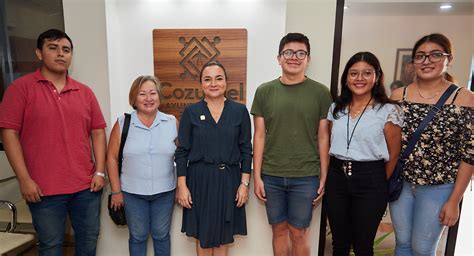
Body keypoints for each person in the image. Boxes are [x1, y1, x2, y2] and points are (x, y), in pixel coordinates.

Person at [0, 29, 107, 255]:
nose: (61, 54)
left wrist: (99, 172)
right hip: (42, 189)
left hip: (86, 187)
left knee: (88, 243)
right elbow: (9, 134)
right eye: (53, 48)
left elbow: (98, 132)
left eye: (66, 50)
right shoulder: (20, 89)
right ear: (39, 53)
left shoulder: (84, 92)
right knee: (50, 247)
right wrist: (24, 179)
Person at [390, 33, 473, 255]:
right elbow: (389, 142)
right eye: (420, 56)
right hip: (402, 185)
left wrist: (455, 200)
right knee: (402, 243)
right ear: (414, 62)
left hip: (439, 188)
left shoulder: (465, 98)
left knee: (422, 248)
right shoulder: (399, 95)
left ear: (449, 58)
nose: (427, 61)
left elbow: (470, 154)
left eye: (435, 55)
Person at [251, 32, 332, 256]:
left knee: (299, 232)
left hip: (306, 175)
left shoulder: (321, 93)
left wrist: (323, 176)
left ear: (308, 58)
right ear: (279, 58)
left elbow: (324, 137)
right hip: (272, 174)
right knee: (278, 230)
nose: (294, 57)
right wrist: (257, 176)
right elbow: (259, 136)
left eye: (300, 53)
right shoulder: (264, 91)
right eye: (288, 52)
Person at [321, 52, 402, 255]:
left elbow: (393, 154)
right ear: (346, 78)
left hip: (371, 179)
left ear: (377, 77)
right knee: (339, 243)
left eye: (367, 73)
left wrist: (377, 182)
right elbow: (329, 140)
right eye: (354, 73)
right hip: (337, 177)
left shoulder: (388, 110)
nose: (359, 78)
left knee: (363, 245)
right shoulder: (336, 109)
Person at [175, 60, 251, 256]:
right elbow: (182, 151)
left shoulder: (239, 111)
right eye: (207, 79)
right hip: (200, 181)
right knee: (204, 235)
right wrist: (182, 186)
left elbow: (245, 149)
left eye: (218, 78)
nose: (213, 83)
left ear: (226, 82)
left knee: (223, 236)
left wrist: (244, 184)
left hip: (229, 181)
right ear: (201, 84)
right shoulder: (191, 112)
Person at [107, 75, 177, 256]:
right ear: (134, 99)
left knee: (161, 235)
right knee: (138, 236)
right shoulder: (123, 123)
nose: (148, 98)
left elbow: (183, 156)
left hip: (165, 192)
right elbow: (112, 158)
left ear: (159, 96)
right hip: (132, 193)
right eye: (142, 94)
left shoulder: (171, 122)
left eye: (153, 93)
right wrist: (116, 191)